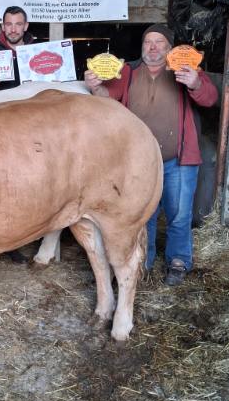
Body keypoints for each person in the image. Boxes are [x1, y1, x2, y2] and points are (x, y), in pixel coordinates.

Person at [84, 23, 218, 286]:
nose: (153, 47)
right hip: (137, 162)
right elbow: (106, 100)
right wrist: (95, 87)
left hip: (177, 160)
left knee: (179, 214)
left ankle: (178, 261)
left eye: (159, 42)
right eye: (148, 42)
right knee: (143, 214)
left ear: (170, 48)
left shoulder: (186, 70)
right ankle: (142, 260)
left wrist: (194, 83)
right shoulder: (127, 72)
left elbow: (210, 98)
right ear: (142, 47)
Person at [0, 6, 36, 93]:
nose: (13, 30)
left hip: (33, 105)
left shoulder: (38, 50)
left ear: (25, 26)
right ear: (3, 27)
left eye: (18, 24)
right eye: (9, 24)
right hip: (2, 105)